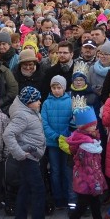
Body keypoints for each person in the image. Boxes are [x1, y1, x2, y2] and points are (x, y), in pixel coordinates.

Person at [58, 103, 110, 219]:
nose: (95, 127)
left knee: (95, 205)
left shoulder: (90, 141)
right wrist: (96, 185)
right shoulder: (86, 146)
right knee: (81, 207)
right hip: (87, 182)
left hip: (88, 181)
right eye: (92, 125)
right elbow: (89, 169)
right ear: (84, 127)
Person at [3, 86, 58, 219]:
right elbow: (7, 135)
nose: (40, 102)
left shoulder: (30, 111)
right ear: (28, 103)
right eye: (36, 100)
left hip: (32, 156)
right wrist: (20, 153)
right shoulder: (23, 116)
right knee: (38, 190)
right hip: (28, 158)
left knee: (25, 188)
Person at [41, 75, 73, 210]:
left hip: (66, 142)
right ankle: (57, 197)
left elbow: (72, 119)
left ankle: (68, 196)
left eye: (59, 87)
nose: (56, 90)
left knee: (66, 170)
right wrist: (54, 136)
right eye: (53, 88)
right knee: (54, 170)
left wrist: (64, 135)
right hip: (53, 143)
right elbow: (44, 122)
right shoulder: (47, 103)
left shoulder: (70, 101)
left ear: (64, 88)